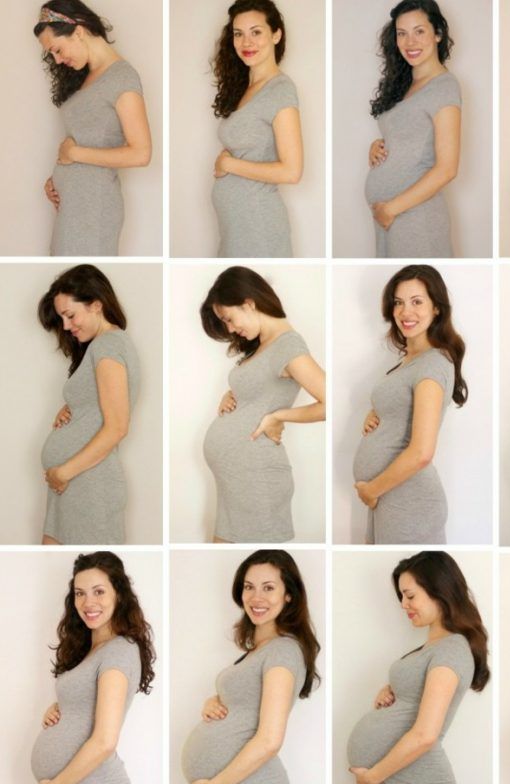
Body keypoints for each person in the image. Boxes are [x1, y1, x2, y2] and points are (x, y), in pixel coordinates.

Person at [347, 551, 489, 784]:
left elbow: (425, 734)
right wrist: (391, 692)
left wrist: (373, 776)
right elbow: (418, 698)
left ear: (439, 591)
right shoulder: (434, 647)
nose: (403, 604)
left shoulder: (451, 648)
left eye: (410, 596)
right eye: (401, 596)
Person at [181, 550, 320, 784]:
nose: (256, 597)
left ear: (289, 595)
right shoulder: (260, 650)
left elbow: (270, 740)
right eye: (249, 587)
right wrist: (215, 702)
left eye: (269, 588)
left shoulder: (283, 650)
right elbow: (248, 705)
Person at [31, 551, 155, 784]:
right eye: (80, 593)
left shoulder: (119, 651)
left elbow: (104, 741)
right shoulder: (91, 651)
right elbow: (87, 704)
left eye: (99, 591)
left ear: (119, 595)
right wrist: (61, 707)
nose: (88, 603)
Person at [201, 266, 325, 543]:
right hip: (237, 482)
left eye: (229, 319)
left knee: (254, 565)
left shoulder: (288, 345)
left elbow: (331, 402)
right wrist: (231, 394)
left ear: (249, 303)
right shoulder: (262, 344)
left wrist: (279, 416)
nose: (231, 329)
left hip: (258, 482)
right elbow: (261, 389)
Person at [353, 264, 466, 544]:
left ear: (437, 308)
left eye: (417, 302)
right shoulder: (411, 361)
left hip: (407, 500)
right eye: (399, 303)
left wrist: (372, 491)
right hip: (390, 494)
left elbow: (422, 453)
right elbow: (402, 406)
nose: (406, 312)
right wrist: (377, 414)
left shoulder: (432, 364)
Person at [34, 1, 152, 256]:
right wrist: (57, 179)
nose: (57, 59)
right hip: (72, 206)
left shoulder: (122, 77)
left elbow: (141, 153)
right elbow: (82, 138)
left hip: (93, 209)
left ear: (78, 31)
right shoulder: (86, 77)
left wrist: (73, 155)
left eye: (56, 49)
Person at [38, 264, 139, 545]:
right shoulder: (100, 347)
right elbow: (100, 404)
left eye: (70, 316)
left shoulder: (109, 345)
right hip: (75, 484)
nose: (67, 326)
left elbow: (117, 427)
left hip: (88, 484)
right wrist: (74, 405)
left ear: (96, 305)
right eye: (62, 319)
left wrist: (62, 472)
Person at [365, 0, 461, 258]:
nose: (410, 42)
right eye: (402, 33)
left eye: (419, 31)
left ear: (437, 34)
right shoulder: (404, 85)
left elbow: (447, 168)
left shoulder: (444, 87)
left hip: (416, 218)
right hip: (391, 217)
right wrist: (378, 146)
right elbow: (408, 136)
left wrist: (391, 209)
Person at [211, 0, 303, 256]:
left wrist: (228, 165)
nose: (246, 42)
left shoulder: (281, 90)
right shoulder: (244, 89)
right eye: (238, 34)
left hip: (258, 226)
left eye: (256, 32)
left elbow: (292, 171)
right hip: (237, 227)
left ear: (276, 34)